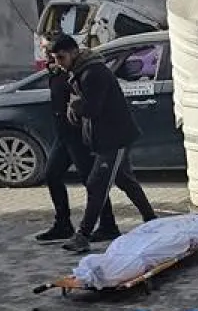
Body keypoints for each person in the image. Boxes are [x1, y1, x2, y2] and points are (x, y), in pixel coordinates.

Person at [47, 34, 158, 253]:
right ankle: (152, 219)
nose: (58, 62)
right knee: (126, 181)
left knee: (97, 184)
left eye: (61, 57)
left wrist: (76, 106)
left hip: (114, 138)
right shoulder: (80, 71)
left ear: (73, 52)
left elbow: (92, 108)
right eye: (55, 58)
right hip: (106, 137)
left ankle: (82, 235)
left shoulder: (92, 73)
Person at [33, 38, 118, 243]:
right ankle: (63, 224)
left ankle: (108, 224)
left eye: (58, 56)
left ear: (71, 52)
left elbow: (89, 102)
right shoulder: (57, 72)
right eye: (50, 55)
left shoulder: (80, 71)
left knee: (92, 181)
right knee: (52, 175)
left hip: (80, 135)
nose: (54, 60)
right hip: (63, 135)